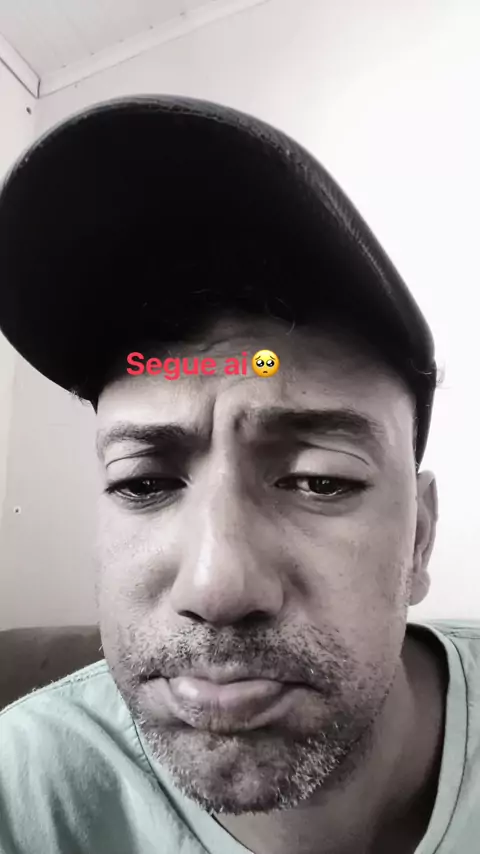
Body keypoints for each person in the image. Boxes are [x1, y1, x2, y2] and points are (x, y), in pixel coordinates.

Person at [0, 95, 478, 854]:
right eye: (143, 483)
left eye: (319, 479)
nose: (217, 587)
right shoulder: (22, 790)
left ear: (418, 540)